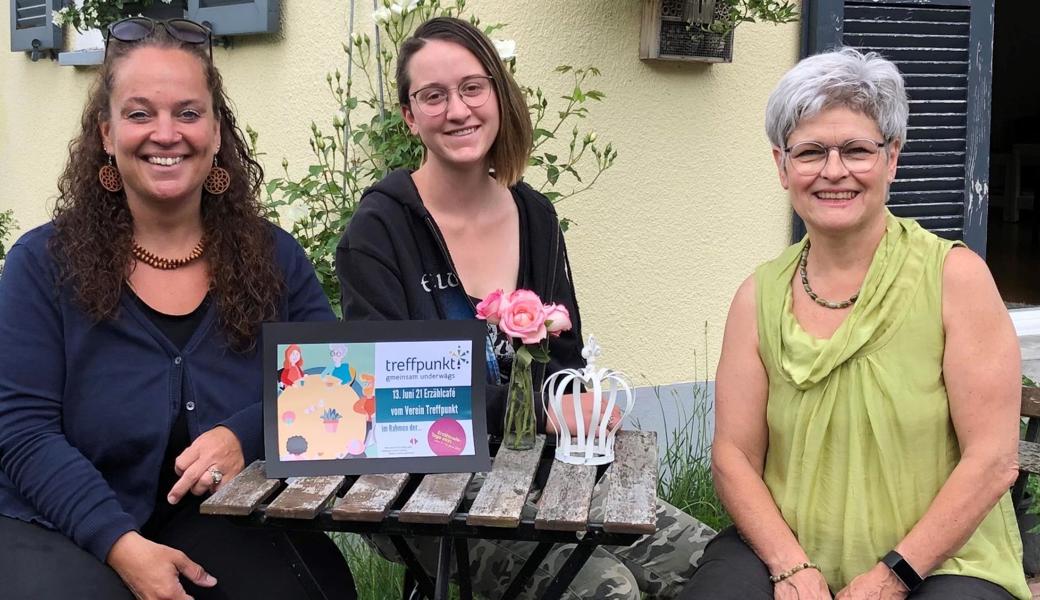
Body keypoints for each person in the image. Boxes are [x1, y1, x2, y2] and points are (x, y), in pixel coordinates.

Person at [336, 16, 713, 600]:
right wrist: (540, 410)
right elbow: (386, 393)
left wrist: (582, 403)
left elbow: (564, 357)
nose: (457, 110)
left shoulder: (534, 215)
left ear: (498, 94)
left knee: (715, 567)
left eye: (471, 87)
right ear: (410, 117)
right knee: (605, 590)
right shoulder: (379, 229)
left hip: (546, 469)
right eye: (432, 96)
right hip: (425, 487)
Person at [0, 17, 356, 600]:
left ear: (216, 133)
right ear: (107, 133)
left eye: (188, 113)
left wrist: (248, 434)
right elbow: (22, 433)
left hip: (220, 517)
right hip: (58, 517)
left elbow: (331, 384)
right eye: (140, 114)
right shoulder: (43, 262)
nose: (166, 133)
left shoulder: (273, 258)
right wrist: (120, 544)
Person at [682, 47, 1029, 600]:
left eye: (856, 150)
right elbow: (734, 455)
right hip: (788, 549)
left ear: (892, 158)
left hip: (941, 563)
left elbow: (992, 460)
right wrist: (790, 565)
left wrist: (892, 575)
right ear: (781, 165)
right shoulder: (759, 295)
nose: (834, 171)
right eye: (811, 151)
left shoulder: (954, 280)